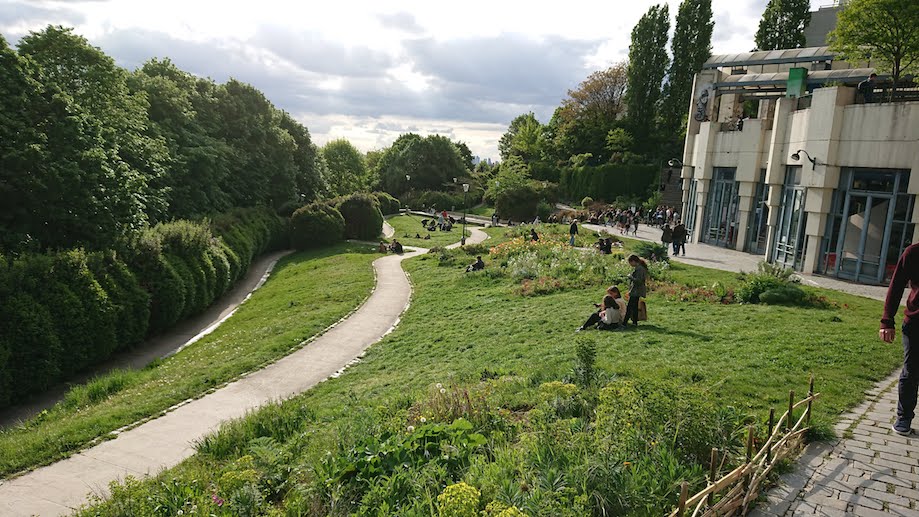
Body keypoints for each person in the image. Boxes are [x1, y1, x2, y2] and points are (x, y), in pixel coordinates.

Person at [880, 243, 919, 435]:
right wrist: (887, 321)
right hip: (916, 323)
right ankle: (904, 418)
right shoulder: (914, 252)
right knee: (911, 372)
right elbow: (896, 285)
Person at [625, 254, 648, 327]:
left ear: (634, 261)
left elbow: (639, 281)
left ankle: (624, 323)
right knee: (634, 307)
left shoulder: (640, 269)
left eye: (630, 263)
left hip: (636, 290)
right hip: (636, 290)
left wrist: (630, 277)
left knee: (629, 307)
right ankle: (634, 322)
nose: (630, 265)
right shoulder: (639, 268)